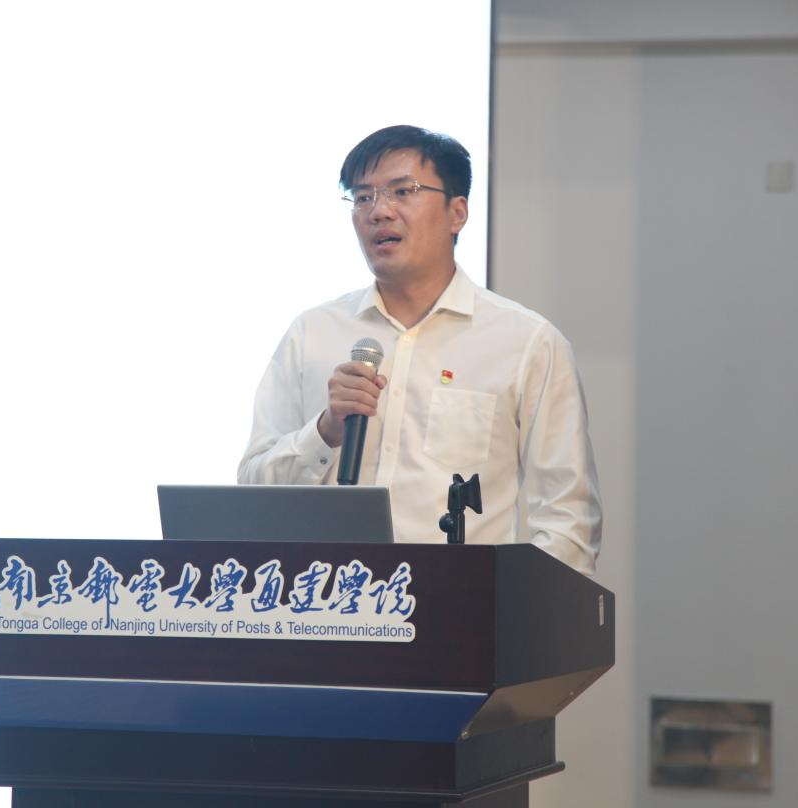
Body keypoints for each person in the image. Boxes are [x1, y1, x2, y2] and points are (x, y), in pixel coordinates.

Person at [237, 125, 601, 575]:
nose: (379, 211)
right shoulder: (312, 333)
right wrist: (325, 430)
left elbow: (568, 522)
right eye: (363, 197)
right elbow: (251, 490)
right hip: (326, 605)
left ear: (457, 213)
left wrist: (512, 608)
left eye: (402, 191)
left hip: (460, 608)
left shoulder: (526, 343)